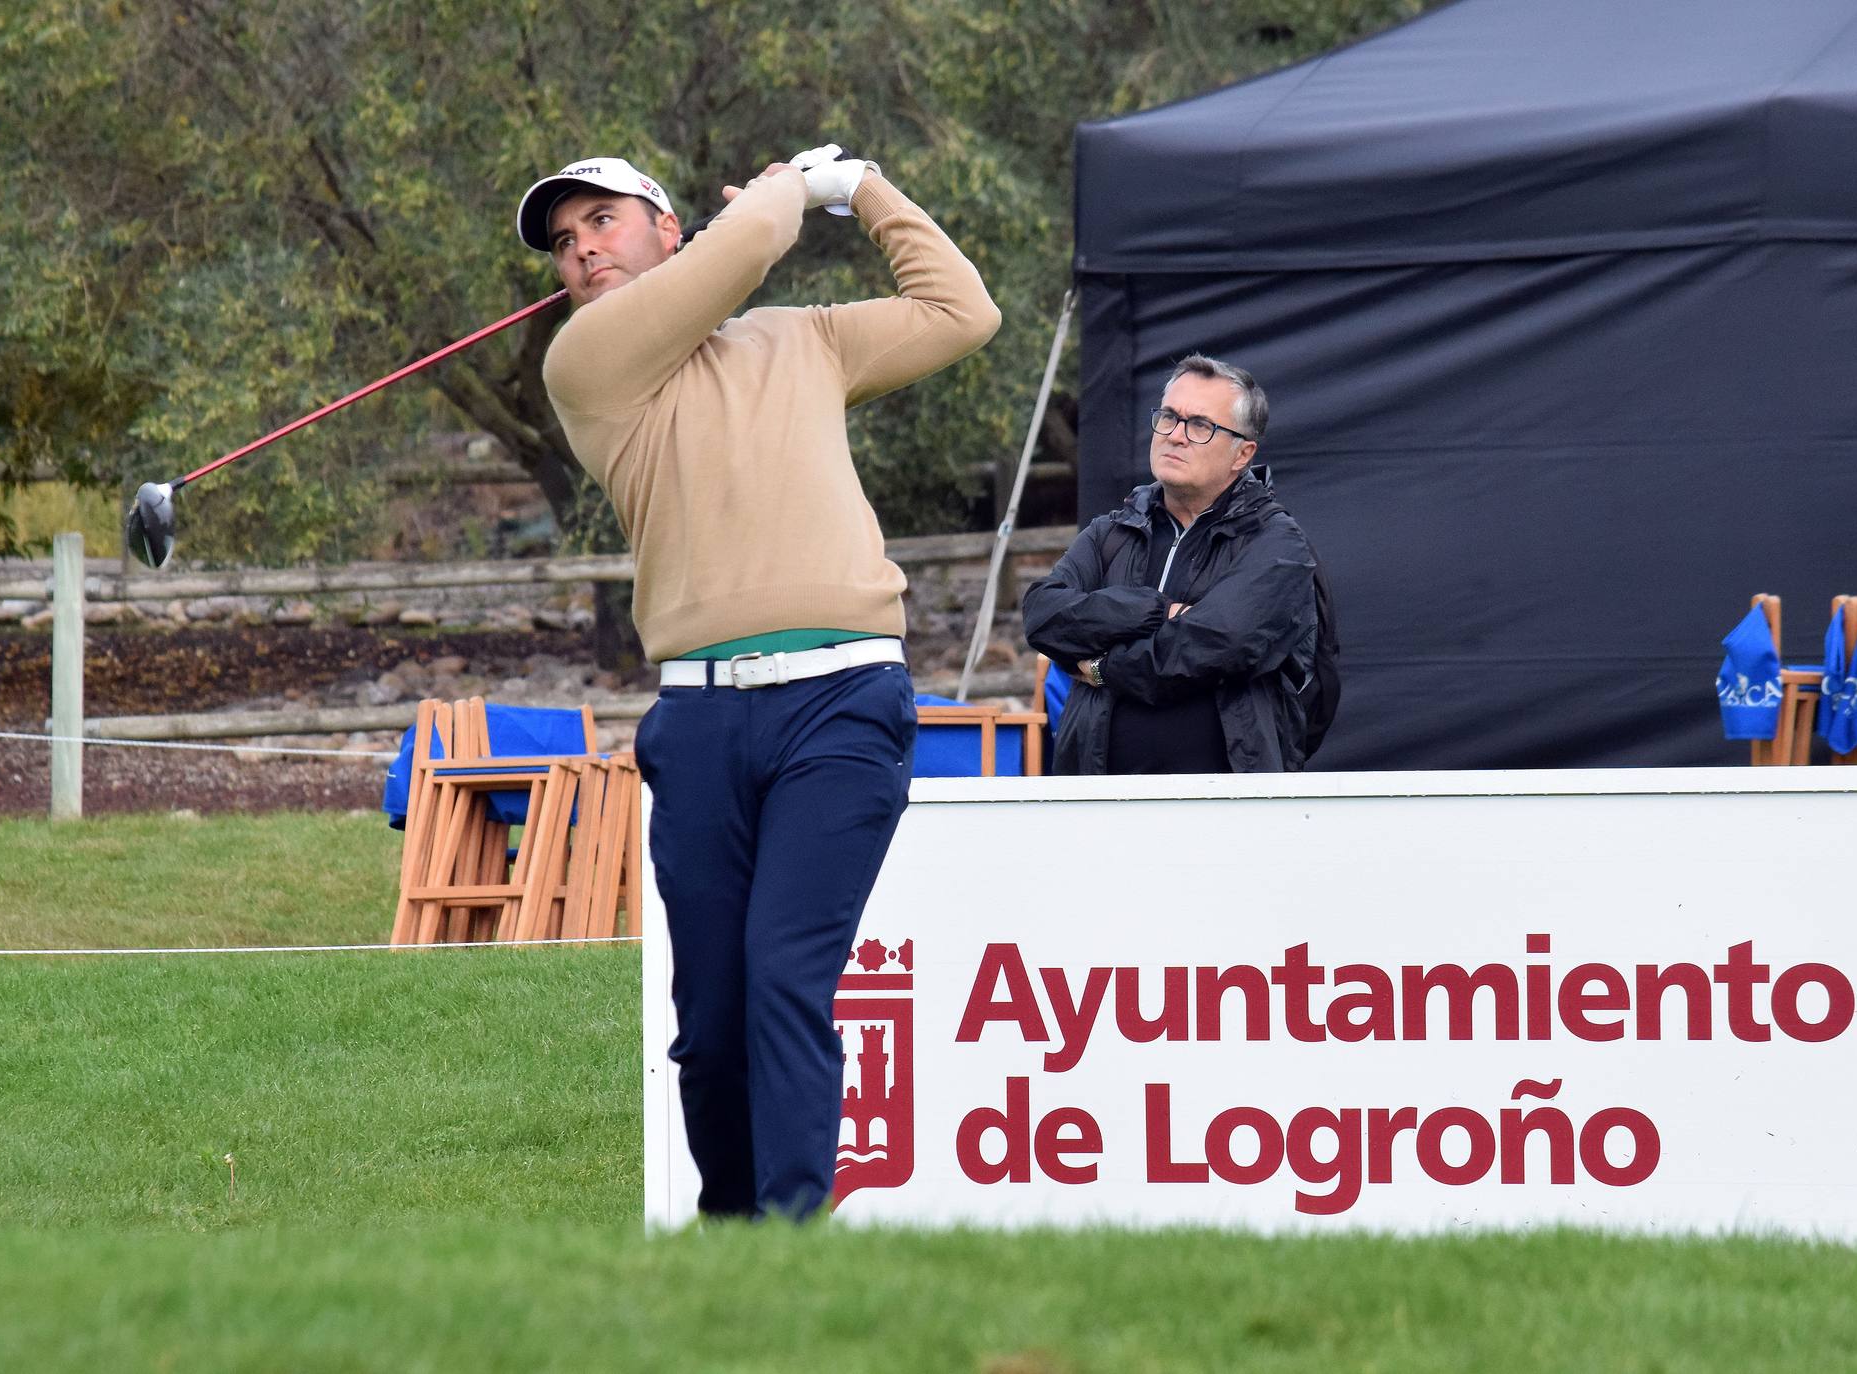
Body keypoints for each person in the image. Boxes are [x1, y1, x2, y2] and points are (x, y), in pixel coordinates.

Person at [518, 147, 999, 1219]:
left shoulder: (805, 338)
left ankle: (786, 1237)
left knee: (786, 975)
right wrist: (791, 188)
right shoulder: (587, 364)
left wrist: (867, 186)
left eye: (602, 219)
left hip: (841, 699)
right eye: (563, 240)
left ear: (666, 227)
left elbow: (962, 312)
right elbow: (737, 258)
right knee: (713, 1020)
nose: (581, 246)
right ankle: (733, 1236)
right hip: (698, 718)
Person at [1023, 355, 1319, 774]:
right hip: (1096, 804)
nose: (1176, 436)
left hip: (1227, 809)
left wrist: (1106, 667)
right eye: (1168, 417)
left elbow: (1214, 646)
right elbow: (1043, 615)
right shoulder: (1113, 531)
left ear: (1243, 453)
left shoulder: (1276, 543)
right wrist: (1157, 612)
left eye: (1200, 426)